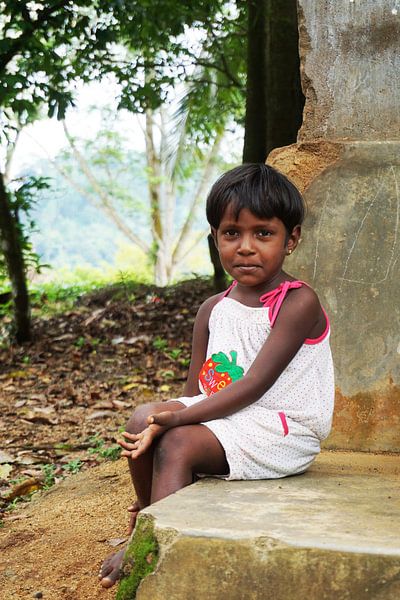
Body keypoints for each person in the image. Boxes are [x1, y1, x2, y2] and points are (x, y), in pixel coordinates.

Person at [99, 163, 334, 588]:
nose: (246, 247)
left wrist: (178, 422)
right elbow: (195, 389)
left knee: (179, 441)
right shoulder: (213, 308)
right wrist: (170, 414)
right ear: (215, 238)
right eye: (232, 233)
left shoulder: (298, 303)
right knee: (142, 417)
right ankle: (146, 515)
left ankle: (158, 560)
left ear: (291, 239)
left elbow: (253, 386)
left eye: (263, 233)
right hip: (229, 420)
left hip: (282, 429)